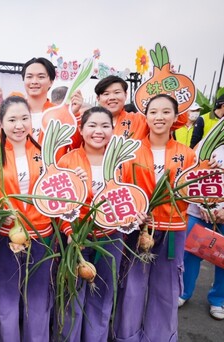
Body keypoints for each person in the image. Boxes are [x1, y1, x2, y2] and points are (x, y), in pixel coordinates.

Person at [113, 94, 196, 341]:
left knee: (166, 289)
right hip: (138, 230)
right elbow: (120, 187)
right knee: (132, 287)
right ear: (146, 117)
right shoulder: (131, 152)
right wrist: (131, 213)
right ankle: (127, 336)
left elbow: (193, 190)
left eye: (165, 112)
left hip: (173, 229)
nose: (159, 117)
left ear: (175, 117)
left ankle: (160, 337)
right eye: (153, 112)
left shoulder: (187, 154)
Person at [54, 106, 136, 341]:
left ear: (113, 129)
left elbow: (133, 197)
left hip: (112, 237)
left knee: (103, 293)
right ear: (82, 129)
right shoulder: (68, 160)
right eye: (92, 125)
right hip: (76, 238)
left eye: (105, 126)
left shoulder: (123, 162)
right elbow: (58, 203)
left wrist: (135, 216)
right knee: (73, 294)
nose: (98, 131)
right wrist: (70, 231)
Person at [0, 96, 53, 342]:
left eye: (24, 118)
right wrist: (6, 215)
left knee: (38, 296)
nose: (19, 125)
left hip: (42, 233)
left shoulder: (45, 153)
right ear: (1, 124)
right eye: (12, 119)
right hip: (6, 236)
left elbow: (56, 188)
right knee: (7, 296)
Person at [0, 57, 82, 151]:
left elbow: (77, 147)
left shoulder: (62, 114)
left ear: (51, 82)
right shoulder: (10, 114)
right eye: (29, 77)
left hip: (52, 166)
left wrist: (74, 115)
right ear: (24, 80)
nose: (34, 81)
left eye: (41, 77)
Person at [178, 128, 224, 319]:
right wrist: (202, 201)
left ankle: (218, 300)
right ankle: (183, 292)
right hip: (199, 211)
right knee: (190, 253)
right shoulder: (208, 144)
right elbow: (191, 172)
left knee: (222, 258)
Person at [95, 75, 187, 139]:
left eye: (117, 92)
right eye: (106, 94)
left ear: (125, 95)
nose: (112, 98)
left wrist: (172, 88)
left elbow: (179, 121)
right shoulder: (88, 122)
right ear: (98, 98)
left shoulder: (141, 120)